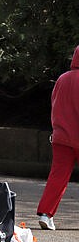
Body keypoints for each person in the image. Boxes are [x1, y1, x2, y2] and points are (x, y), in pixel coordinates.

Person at [37, 45, 79, 231]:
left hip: (61, 137)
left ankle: (46, 214)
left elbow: (55, 105)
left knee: (58, 177)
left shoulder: (62, 79)